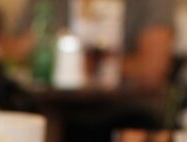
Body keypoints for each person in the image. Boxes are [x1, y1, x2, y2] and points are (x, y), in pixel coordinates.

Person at [11, 0, 176, 93]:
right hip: (55, 110)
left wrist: (91, 64)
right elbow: (15, 51)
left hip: (127, 113)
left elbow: (153, 70)